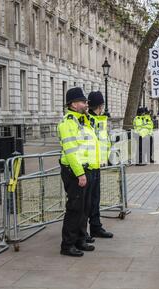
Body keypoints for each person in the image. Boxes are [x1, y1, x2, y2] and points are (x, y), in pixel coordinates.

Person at [57, 87, 98, 257]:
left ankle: (81, 239)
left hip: (87, 169)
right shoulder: (67, 123)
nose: (86, 103)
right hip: (75, 171)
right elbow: (71, 151)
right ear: (73, 104)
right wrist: (80, 174)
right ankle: (67, 244)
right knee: (75, 209)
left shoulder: (83, 121)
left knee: (84, 208)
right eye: (83, 101)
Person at [87, 91, 114, 239]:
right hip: (89, 164)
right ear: (100, 105)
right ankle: (84, 231)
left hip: (97, 163)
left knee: (95, 198)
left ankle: (96, 227)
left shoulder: (99, 119)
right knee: (88, 201)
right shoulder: (88, 120)